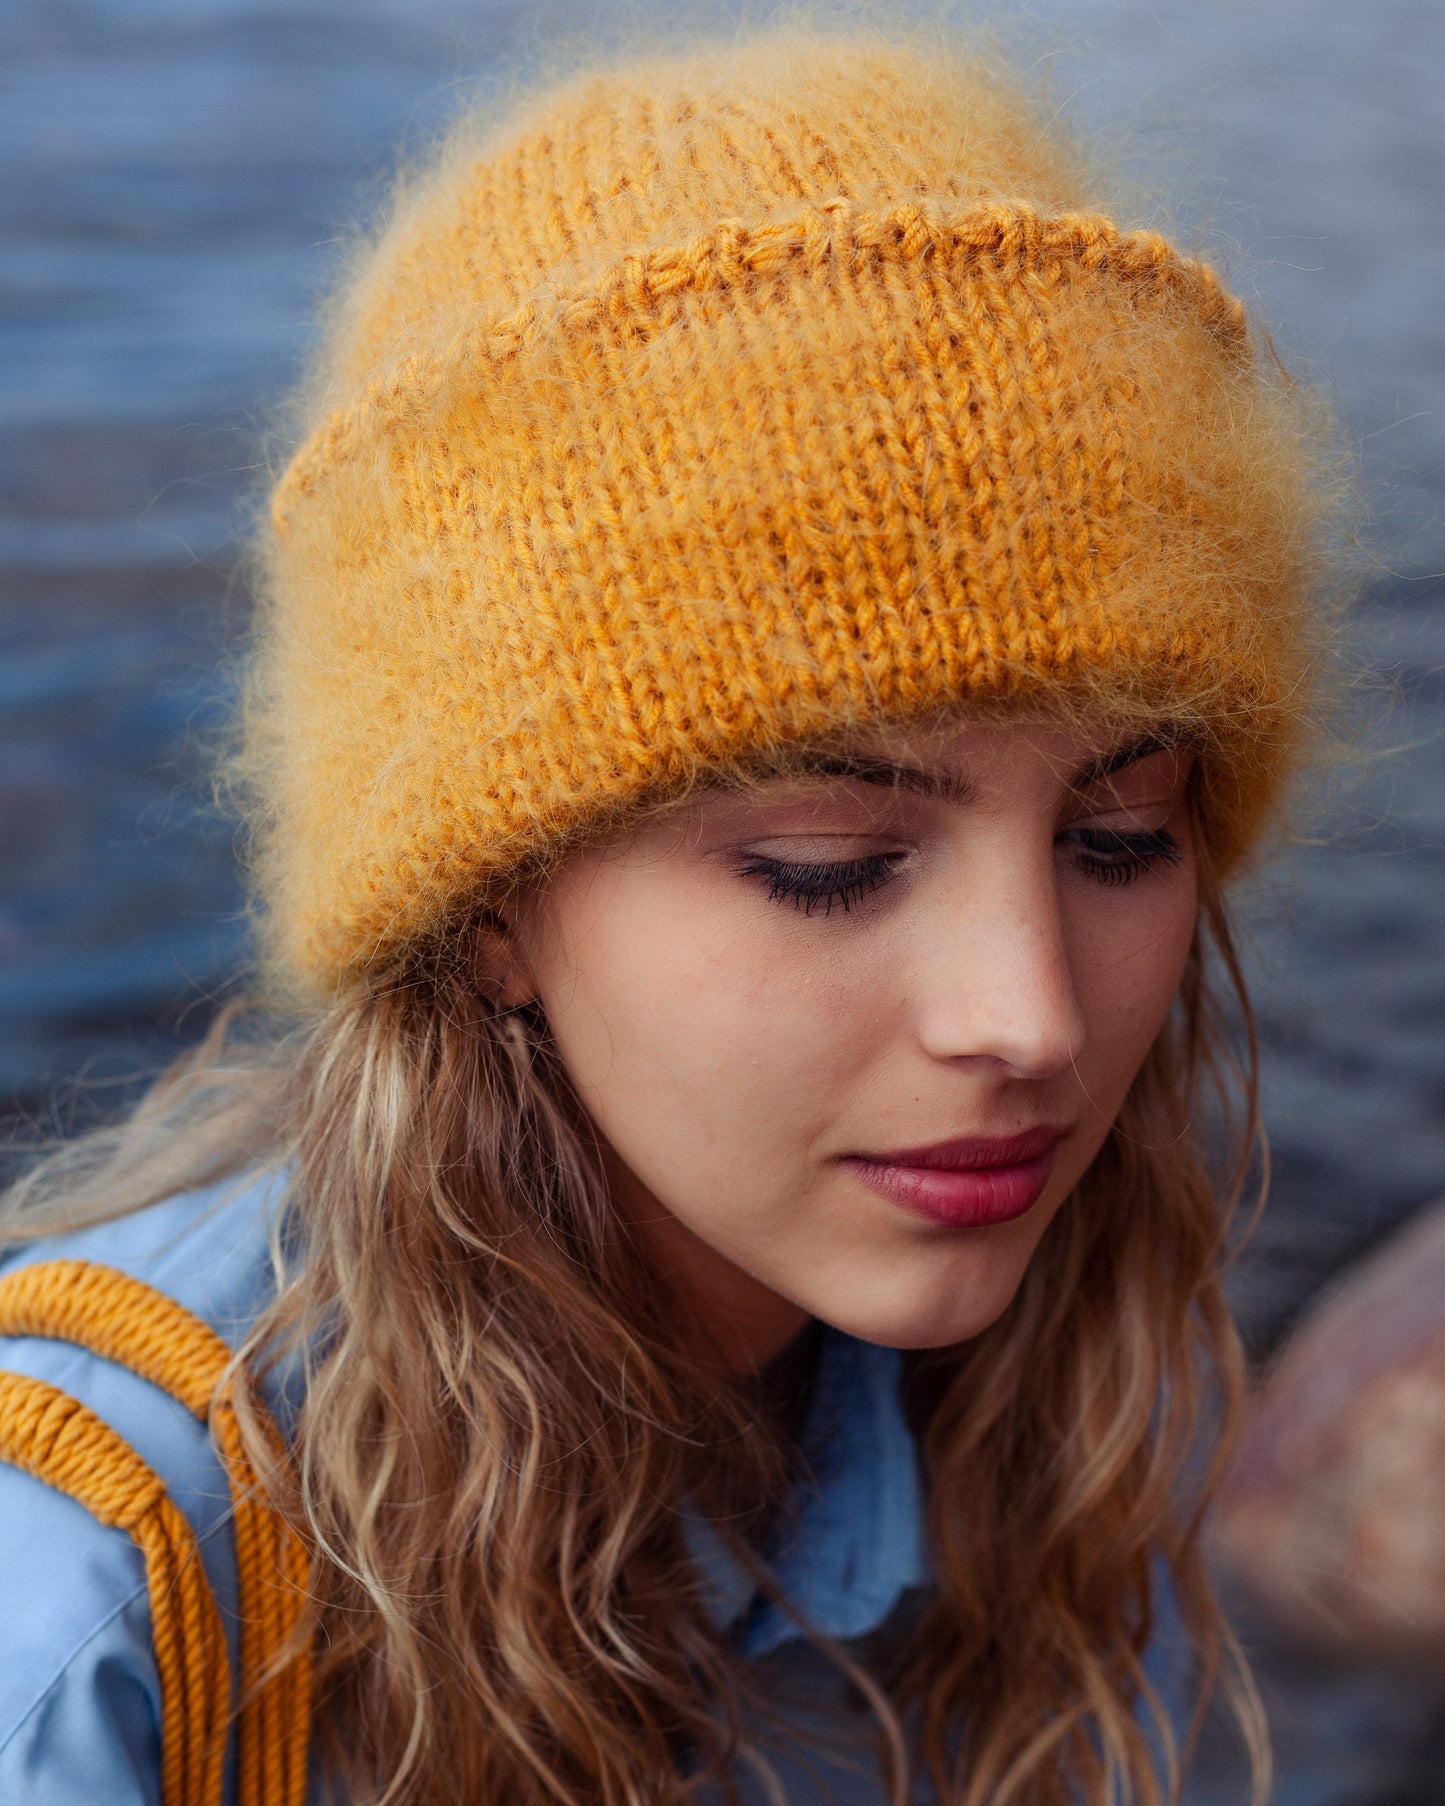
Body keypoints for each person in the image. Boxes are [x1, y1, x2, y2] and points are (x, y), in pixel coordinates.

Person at [0, 16, 1354, 1805]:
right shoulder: (94, 1596)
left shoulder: (1071, 1392)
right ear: (488, 910)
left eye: (1118, 837)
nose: (1027, 1015)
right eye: (828, 864)